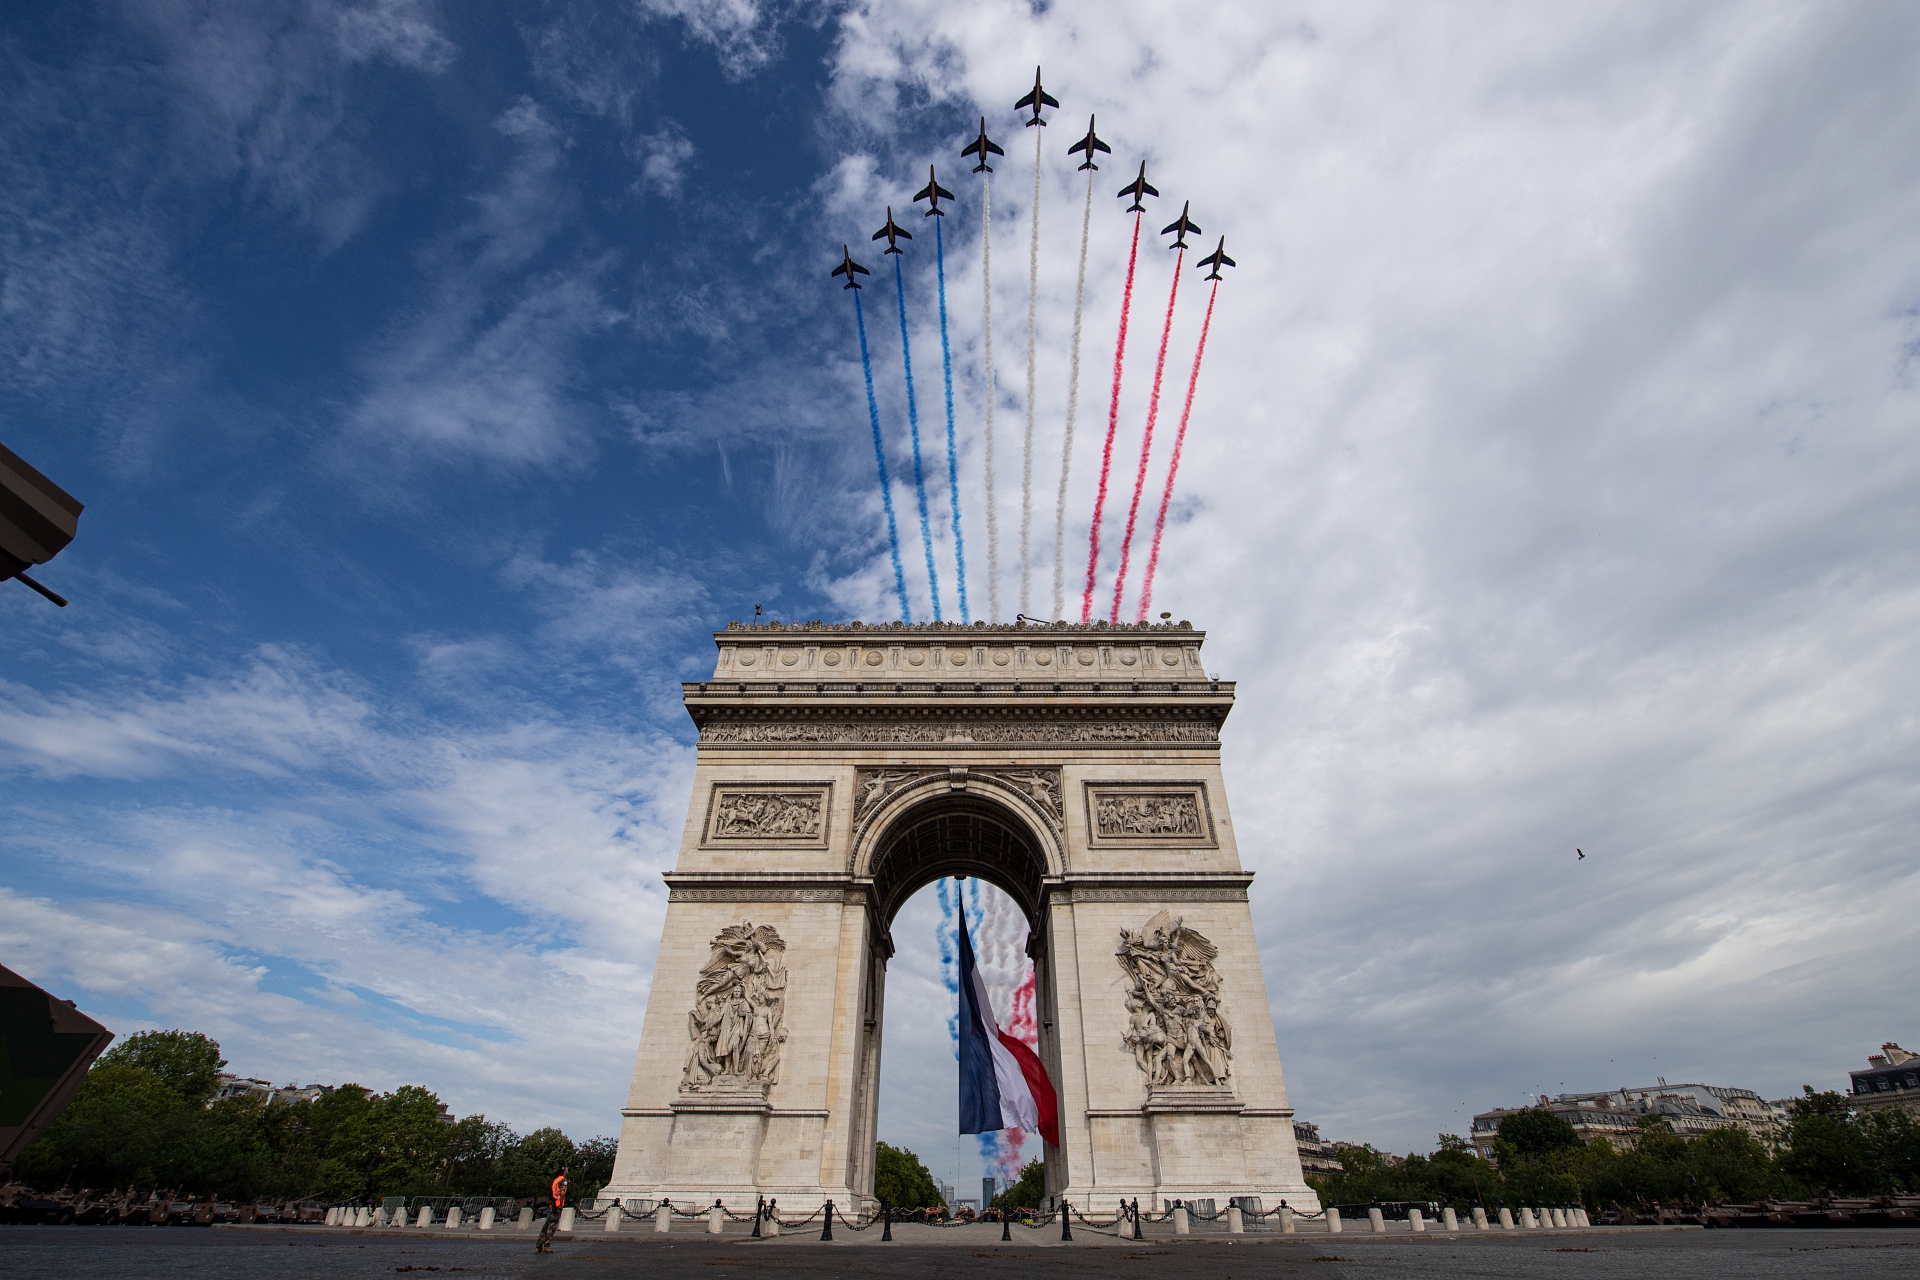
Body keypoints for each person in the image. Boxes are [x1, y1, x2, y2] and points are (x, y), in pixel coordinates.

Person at [534, 1166, 569, 1254]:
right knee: (552, 1227)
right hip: (557, 1206)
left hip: (552, 1204)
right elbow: (562, 1193)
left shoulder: (556, 1179)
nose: (567, 1170)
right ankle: (546, 1246)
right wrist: (561, 1205)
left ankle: (538, 1246)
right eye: (566, 1169)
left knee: (545, 1226)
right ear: (564, 1171)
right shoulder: (564, 1180)